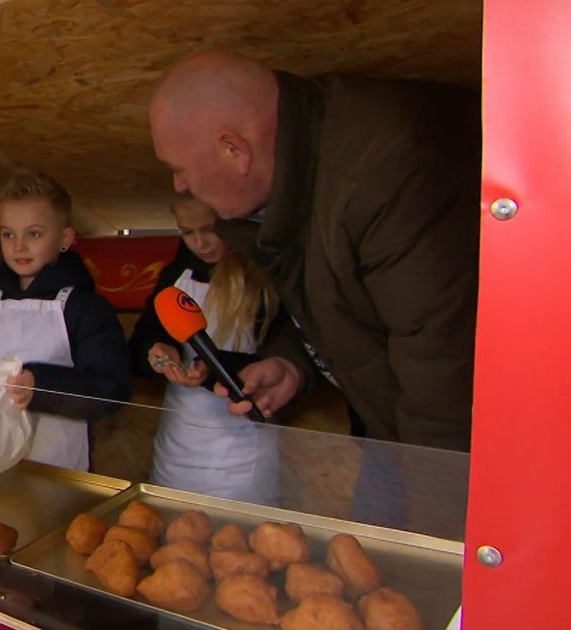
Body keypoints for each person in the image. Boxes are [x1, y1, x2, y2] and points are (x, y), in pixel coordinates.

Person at [148, 51, 480, 451]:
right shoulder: (298, 166)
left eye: (181, 168)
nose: (179, 185)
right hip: (391, 438)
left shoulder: (392, 177)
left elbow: (444, 375)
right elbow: (340, 293)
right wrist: (293, 363)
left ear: (233, 150)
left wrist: (436, 502)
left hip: (455, 455)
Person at [0, 173, 132, 471]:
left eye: (34, 234)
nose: (19, 246)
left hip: (57, 469)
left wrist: (41, 386)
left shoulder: (86, 309)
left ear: (65, 238)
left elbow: (111, 389)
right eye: (8, 234)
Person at [130, 197, 284, 503]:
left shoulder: (266, 279)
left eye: (210, 229)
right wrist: (157, 352)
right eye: (187, 232)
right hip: (177, 445)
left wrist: (210, 368)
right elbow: (140, 342)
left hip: (241, 454)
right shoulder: (176, 275)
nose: (200, 243)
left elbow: (284, 363)